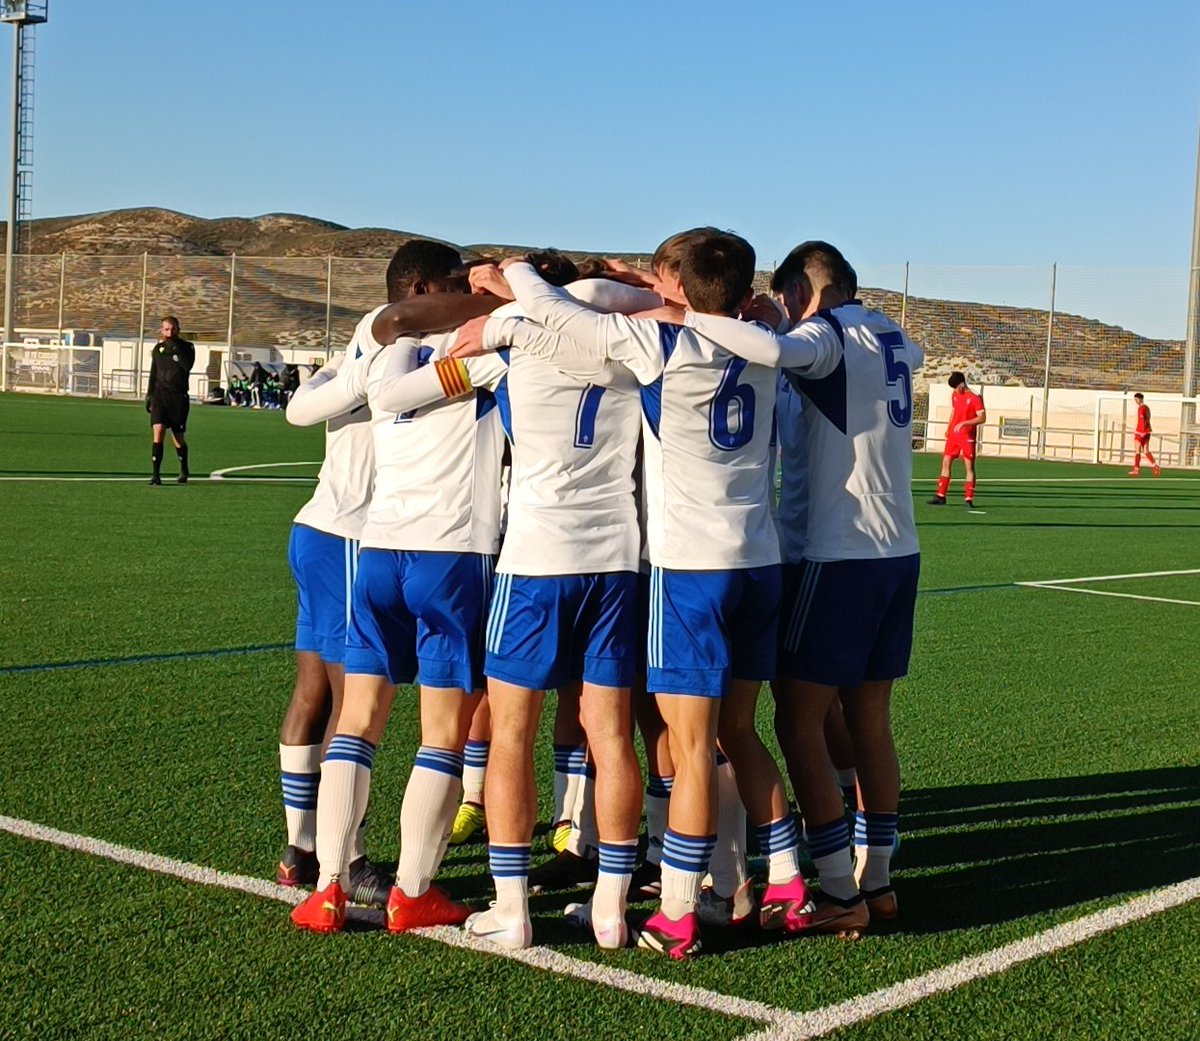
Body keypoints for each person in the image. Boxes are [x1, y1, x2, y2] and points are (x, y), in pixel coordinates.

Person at [453, 230, 818, 960]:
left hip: (665, 564)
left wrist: (510, 277)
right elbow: (732, 315)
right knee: (719, 732)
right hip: (742, 559)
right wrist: (657, 288)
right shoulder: (761, 337)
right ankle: (769, 880)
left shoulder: (643, 343)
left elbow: (566, 317)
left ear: (678, 281)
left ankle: (667, 909)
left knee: (669, 742)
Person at [376, 258, 657, 950]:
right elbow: (644, 302)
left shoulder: (508, 346)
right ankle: (611, 908)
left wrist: (480, 322)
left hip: (535, 560)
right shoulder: (629, 340)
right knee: (612, 732)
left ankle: (511, 908)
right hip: (617, 560)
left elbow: (395, 395)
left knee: (509, 731)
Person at [288, 240, 508, 935]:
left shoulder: (380, 347)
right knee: (440, 731)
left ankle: (328, 885)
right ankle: (412, 889)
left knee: (357, 721)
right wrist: (508, 291)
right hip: (454, 551)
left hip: (381, 548)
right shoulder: (495, 340)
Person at [709, 241, 923, 934]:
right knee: (868, 719)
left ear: (805, 287)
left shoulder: (824, 336)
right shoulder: (891, 333)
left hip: (837, 554)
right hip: (898, 551)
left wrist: (701, 312)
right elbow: (904, 355)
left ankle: (836, 887)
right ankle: (878, 878)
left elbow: (775, 352)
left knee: (794, 721)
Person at [145, 315, 194, 486]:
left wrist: (176, 348)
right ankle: (155, 475)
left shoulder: (187, 347)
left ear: (178, 330)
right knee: (158, 432)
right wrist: (149, 395)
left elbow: (187, 366)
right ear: (161, 330)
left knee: (177, 438)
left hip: (178, 398)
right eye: (166, 329)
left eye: (173, 329)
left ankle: (184, 469)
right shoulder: (158, 349)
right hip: (160, 397)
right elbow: (154, 373)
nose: (169, 332)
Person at [928, 372, 985, 508]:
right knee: (946, 462)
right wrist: (949, 427)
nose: (954, 390)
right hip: (954, 436)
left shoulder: (975, 398)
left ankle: (968, 498)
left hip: (967, 436)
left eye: (956, 387)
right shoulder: (955, 395)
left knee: (969, 466)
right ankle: (941, 496)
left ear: (962, 384)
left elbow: (982, 418)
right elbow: (954, 411)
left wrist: (965, 423)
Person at [1129, 392, 1161, 476]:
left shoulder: (1141, 408)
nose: (1136, 401)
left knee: (1137, 451)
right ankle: (1155, 466)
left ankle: (1136, 469)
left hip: (1141, 432)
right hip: (1148, 431)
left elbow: (1142, 420)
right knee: (1146, 451)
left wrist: (1141, 432)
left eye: (1136, 399)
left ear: (1140, 399)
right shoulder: (1147, 408)